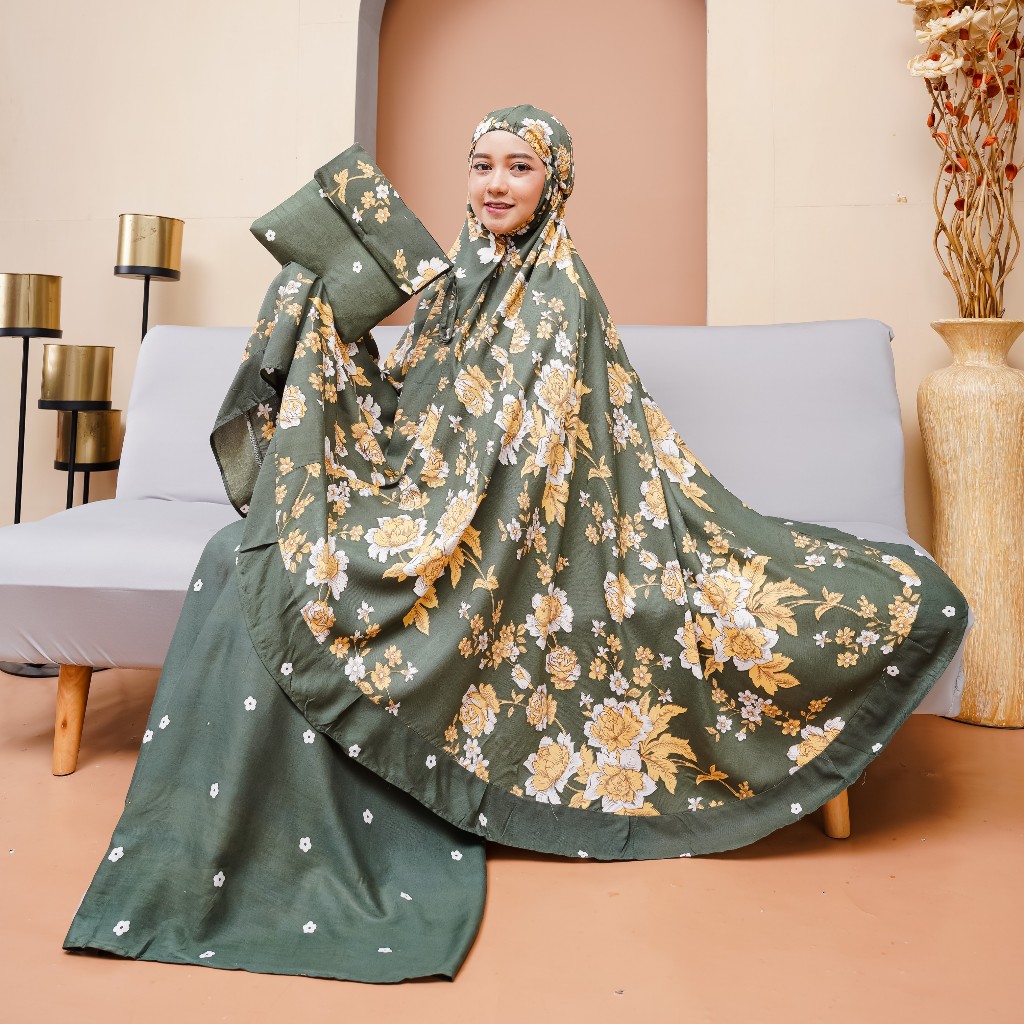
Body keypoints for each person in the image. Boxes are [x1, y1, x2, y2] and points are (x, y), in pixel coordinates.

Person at [65, 104, 968, 982]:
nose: (496, 184)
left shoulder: (559, 292)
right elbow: (413, 410)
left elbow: (527, 456)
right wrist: (323, 320)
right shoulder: (456, 282)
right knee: (241, 559)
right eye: (483, 165)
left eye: (520, 167)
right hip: (435, 497)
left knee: (296, 568)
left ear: (554, 183)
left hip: (534, 521)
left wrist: (429, 519)